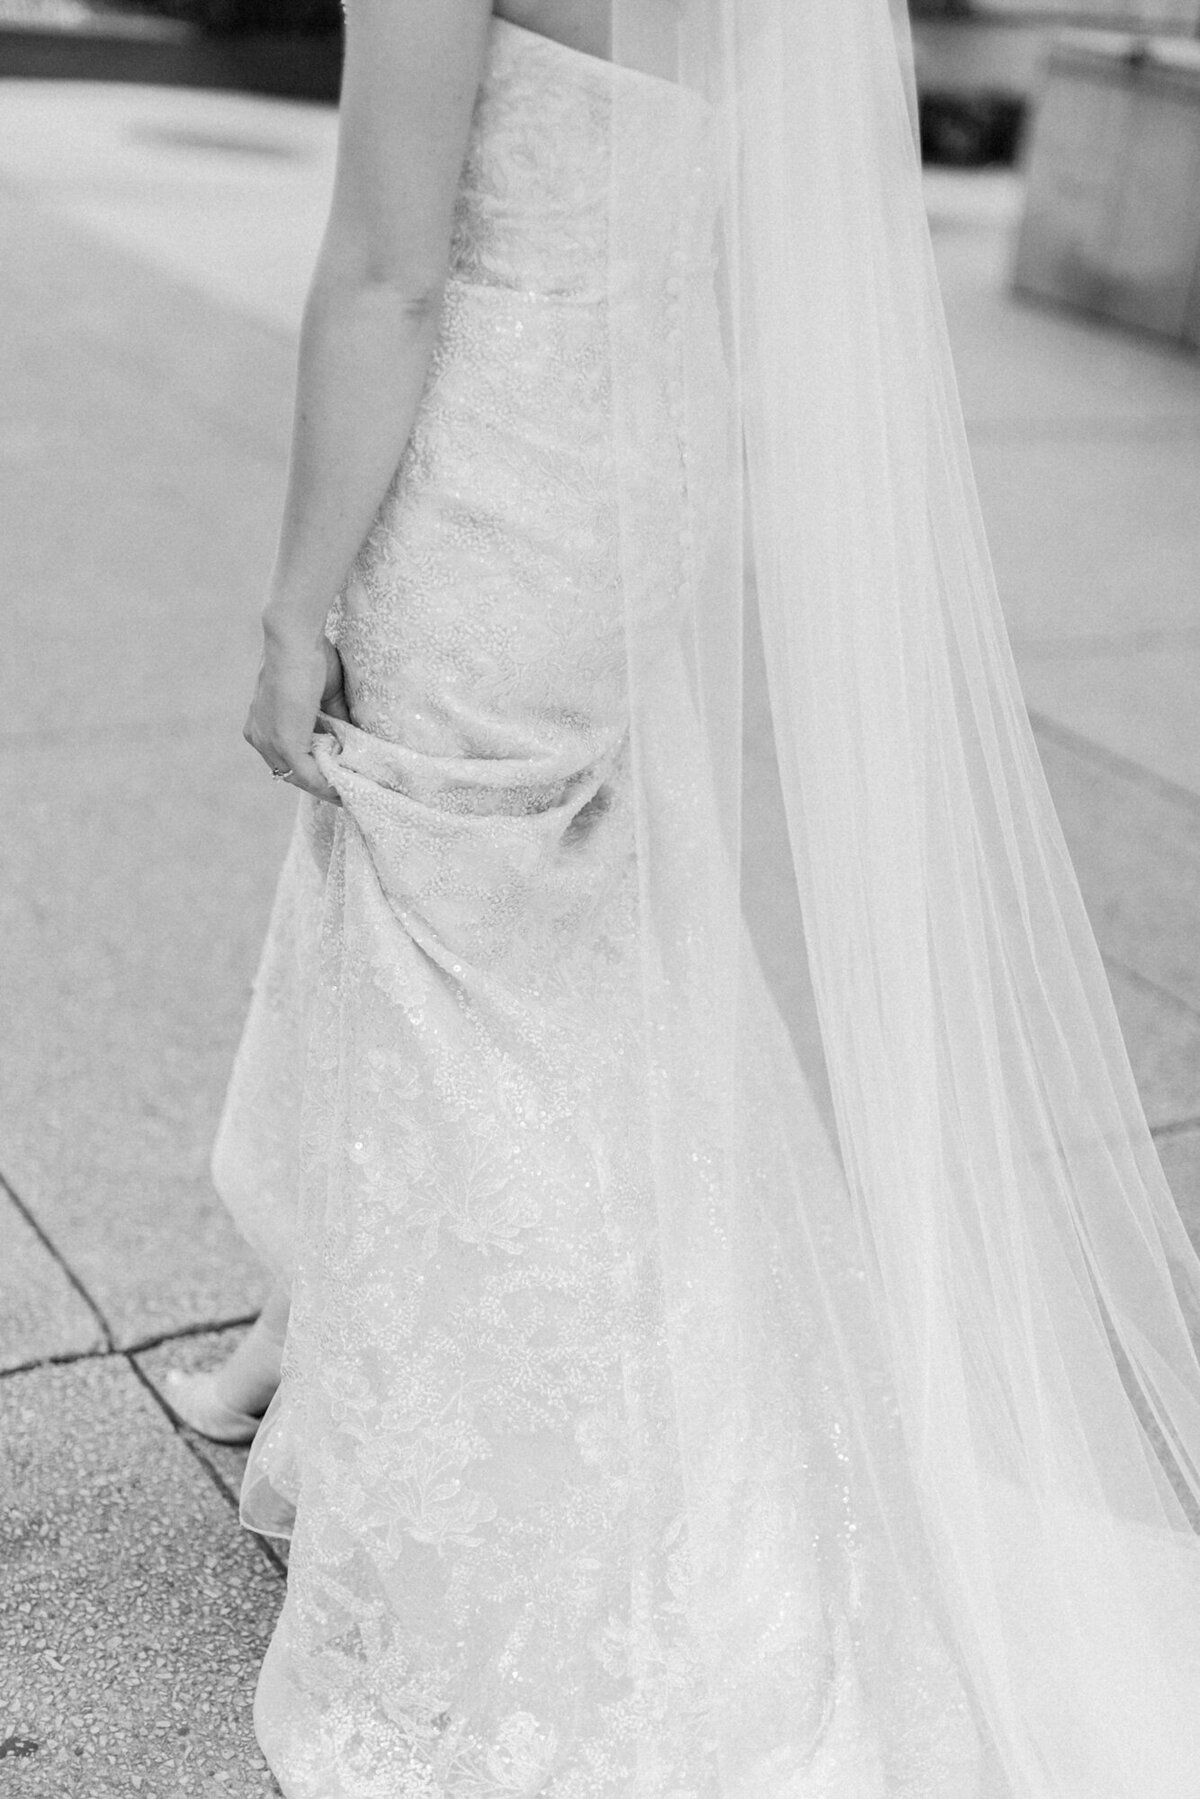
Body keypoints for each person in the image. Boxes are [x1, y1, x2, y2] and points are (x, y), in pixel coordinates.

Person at [168, 0, 1200, 1793]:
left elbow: (393, 273)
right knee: (538, 936)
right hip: (629, 458)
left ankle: (595, 1515)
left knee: (472, 989)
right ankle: (316, 1345)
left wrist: (292, 599)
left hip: (488, 462)